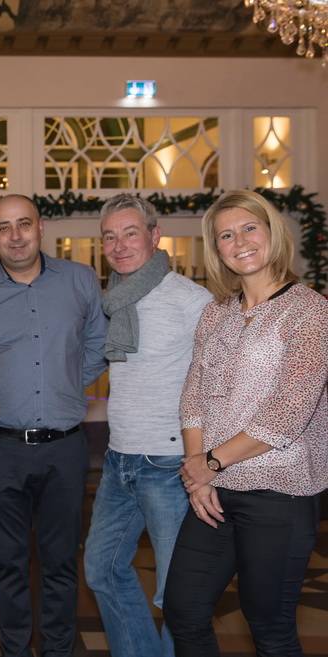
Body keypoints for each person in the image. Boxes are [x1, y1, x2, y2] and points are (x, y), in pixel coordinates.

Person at [164, 189, 328, 657]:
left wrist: (210, 463)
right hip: (213, 494)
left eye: (249, 228)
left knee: (270, 629)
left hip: (280, 493)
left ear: (272, 232)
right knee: (184, 611)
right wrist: (198, 472)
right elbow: (193, 395)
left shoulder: (311, 311)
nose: (239, 242)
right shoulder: (215, 314)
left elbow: (288, 411)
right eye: (226, 236)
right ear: (217, 250)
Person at [0, 194, 108, 657]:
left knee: (61, 564)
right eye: (4, 227)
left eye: (24, 224)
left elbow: (97, 343)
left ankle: (58, 651)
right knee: (9, 565)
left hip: (65, 446)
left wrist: (62, 384)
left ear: (41, 228)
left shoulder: (79, 280)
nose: (15, 235)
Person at [82, 194, 211, 657]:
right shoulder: (113, 300)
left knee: (177, 594)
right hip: (120, 461)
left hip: (170, 464)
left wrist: (204, 460)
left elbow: (217, 382)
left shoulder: (191, 300)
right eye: (110, 237)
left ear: (155, 237)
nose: (119, 245)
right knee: (102, 569)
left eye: (130, 233)